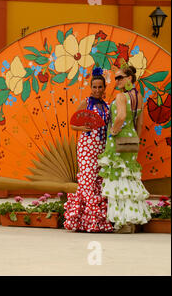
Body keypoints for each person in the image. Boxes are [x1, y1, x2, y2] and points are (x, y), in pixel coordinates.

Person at [97, 64, 151, 233]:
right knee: (129, 179)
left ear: (130, 79)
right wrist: (135, 138)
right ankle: (132, 220)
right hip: (132, 139)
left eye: (120, 77)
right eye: (116, 78)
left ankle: (123, 222)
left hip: (118, 140)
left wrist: (113, 131)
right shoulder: (139, 97)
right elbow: (139, 122)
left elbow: (120, 116)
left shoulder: (121, 97)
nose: (117, 81)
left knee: (117, 179)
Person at [63, 68, 114, 232]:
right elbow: (72, 124)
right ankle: (87, 221)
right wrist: (82, 128)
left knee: (99, 182)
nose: (97, 90)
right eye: (95, 87)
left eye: (100, 87)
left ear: (104, 88)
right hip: (86, 147)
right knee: (87, 181)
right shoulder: (86, 102)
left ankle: (94, 221)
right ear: (90, 87)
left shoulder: (106, 105)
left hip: (101, 147)